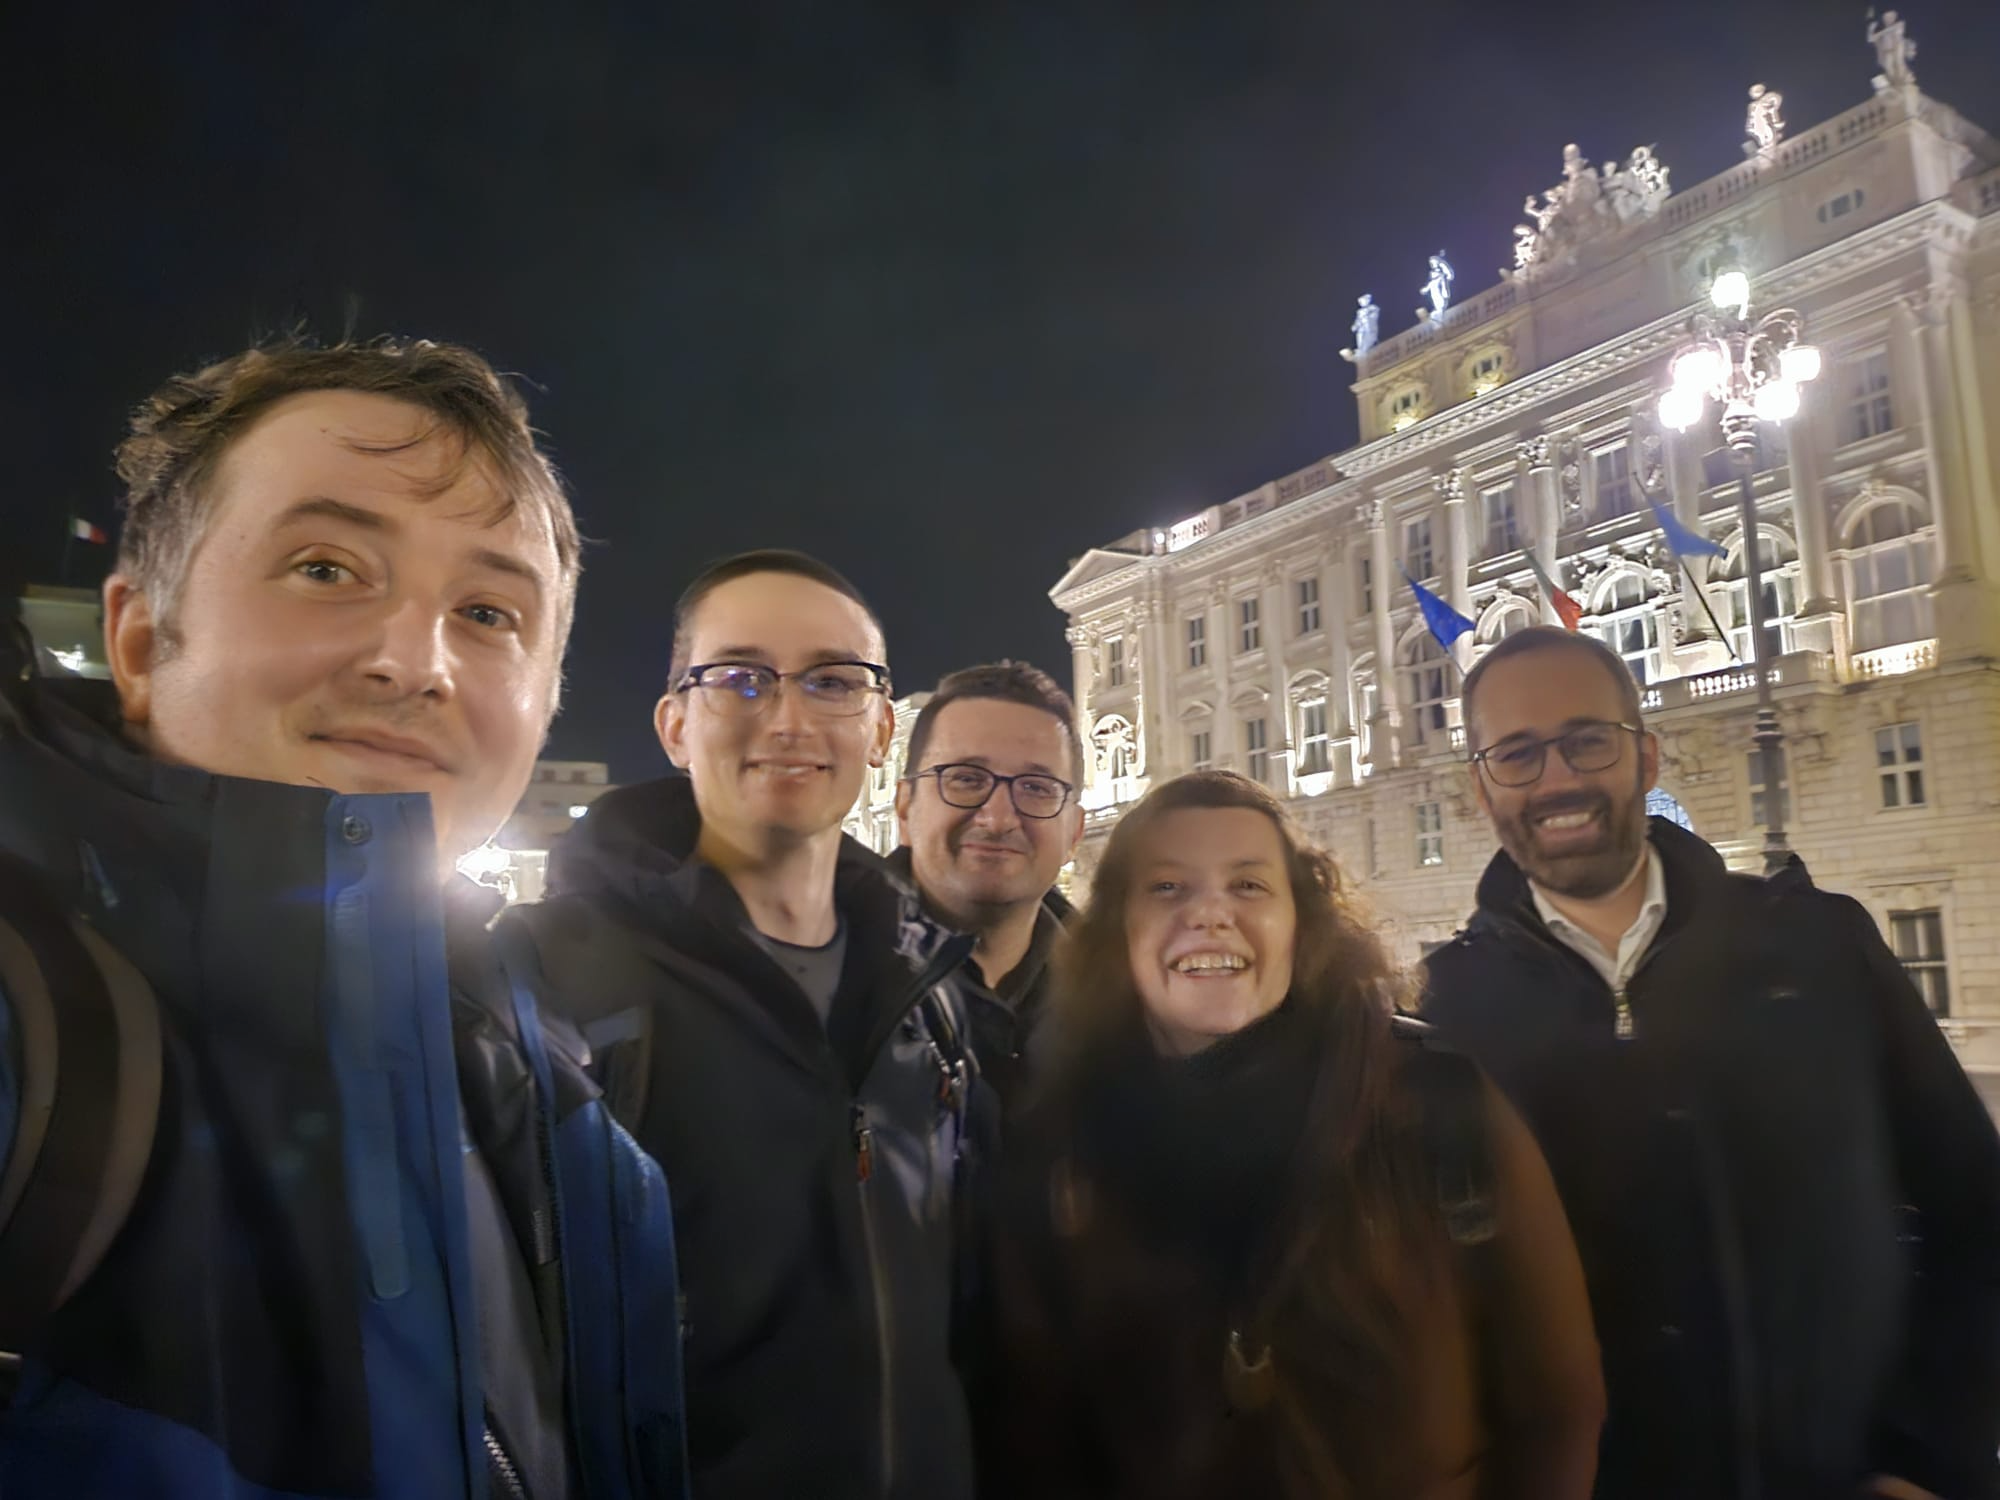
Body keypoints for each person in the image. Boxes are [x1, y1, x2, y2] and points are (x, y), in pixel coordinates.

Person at [0, 338, 686, 1499]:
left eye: (488, 611)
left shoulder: (545, 1081)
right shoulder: (33, 1019)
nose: (413, 662)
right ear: (138, 640)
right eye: (325, 568)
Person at [1422, 625, 2000, 1500]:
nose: (1557, 778)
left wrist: (1932, 1457)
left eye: (1587, 739)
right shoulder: (1443, 1014)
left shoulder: (1818, 945)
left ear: (1646, 755)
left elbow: (1974, 1209)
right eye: (1517, 753)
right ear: (1480, 787)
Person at [986, 770, 1604, 1500]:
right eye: (1167, 887)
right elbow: (1037, 1436)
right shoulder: (1061, 1142)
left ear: (1301, 921)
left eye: (1248, 885)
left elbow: (1556, 1406)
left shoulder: (1431, 1099)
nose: (1210, 914)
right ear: (1118, 928)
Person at [504, 550, 979, 1500]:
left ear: (882, 729)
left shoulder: (928, 985)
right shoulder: (545, 978)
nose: (790, 717)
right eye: (740, 678)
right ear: (676, 725)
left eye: (834, 681)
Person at [890, 660, 1081, 1114]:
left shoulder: (1121, 1012)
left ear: (1074, 832)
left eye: (1036, 787)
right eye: (965, 779)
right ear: (904, 810)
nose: (998, 819)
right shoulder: (806, 990)